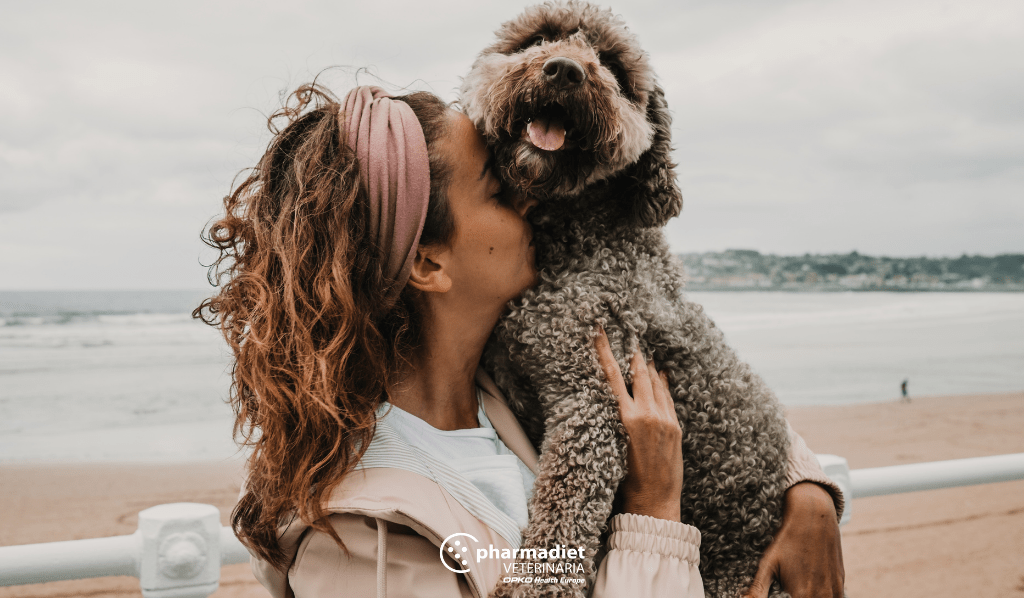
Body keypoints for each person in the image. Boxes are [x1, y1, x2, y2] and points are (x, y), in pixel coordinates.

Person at [197, 84, 845, 598]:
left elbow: (700, 378)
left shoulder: (508, 379)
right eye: (501, 189)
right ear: (429, 263)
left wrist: (805, 489)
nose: (535, 198)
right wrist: (653, 513)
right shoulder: (360, 537)